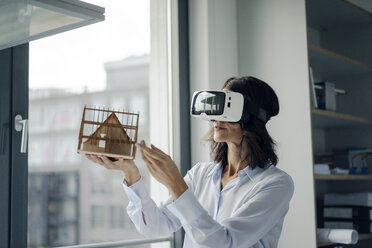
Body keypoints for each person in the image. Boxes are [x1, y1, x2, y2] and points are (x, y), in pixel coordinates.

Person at [86, 76, 294, 248]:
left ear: (252, 116)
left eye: (227, 106)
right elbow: (156, 226)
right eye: (216, 106)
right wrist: (130, 173)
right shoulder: (200, 175)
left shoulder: (275, 184)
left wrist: (175, 184)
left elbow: (225, 243)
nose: (216, 116)